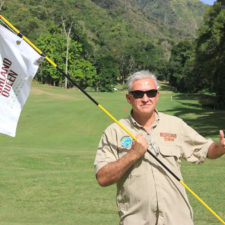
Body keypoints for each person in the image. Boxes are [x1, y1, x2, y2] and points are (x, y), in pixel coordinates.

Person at [94, 70, 225, 225]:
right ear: (129, 98)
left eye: (151, 93)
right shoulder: (114, 131)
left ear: (157, 95)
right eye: (138, 94)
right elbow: (102, 178)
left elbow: (205, 150)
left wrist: (220, 147)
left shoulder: (175, 124)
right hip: (137, 221)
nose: (145, 99)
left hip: (177, 219)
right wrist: (133, 154)